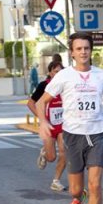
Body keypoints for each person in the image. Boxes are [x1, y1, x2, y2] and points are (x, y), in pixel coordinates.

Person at [36, 32, 103, 204]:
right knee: (76, 189)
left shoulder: (101, 76)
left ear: (91, 50)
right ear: (72, 53)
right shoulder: (64, 76)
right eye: (78, 49)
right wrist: (43, 122)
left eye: (86, 48)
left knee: (95, 185)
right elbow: (41, 102)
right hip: (72, 136)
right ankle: (77, 198)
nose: (83, 52)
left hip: (96, 134)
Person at [27, 61, 66, 191]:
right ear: (50, 73)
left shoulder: (67, 85)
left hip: (64, 125)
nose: (58, 74)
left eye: (61, 72)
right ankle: (44, 153)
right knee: (51, 158)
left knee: (63, 152)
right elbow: (31, 103)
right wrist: (42, 118)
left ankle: (56, 181)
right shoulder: (44, 85)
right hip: (49, 125)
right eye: (55, 71)